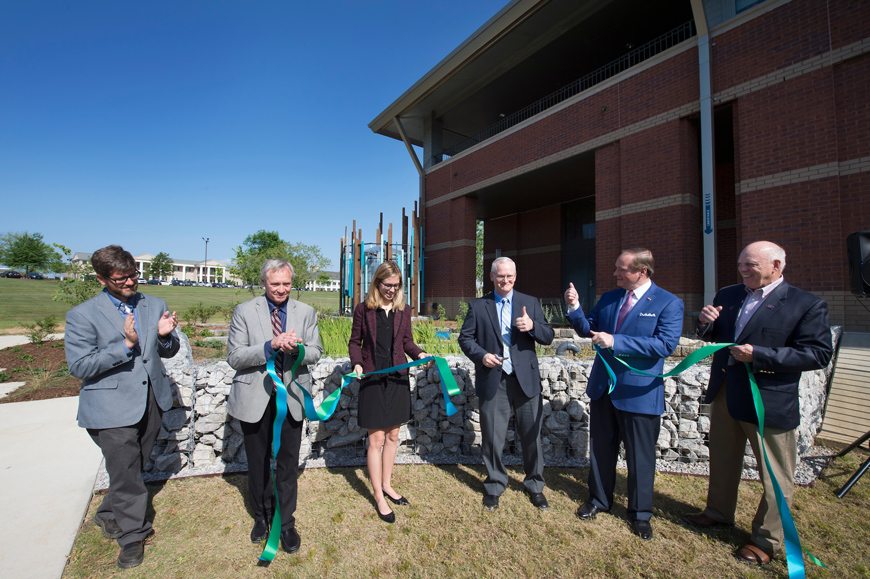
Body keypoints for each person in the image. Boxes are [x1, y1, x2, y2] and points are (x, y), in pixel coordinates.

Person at [683, 241, 832, 565]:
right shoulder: (728, 294)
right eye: (740, 264)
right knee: (722, 459)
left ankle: (766, 540)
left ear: (777, 266)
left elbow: (818, 354)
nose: (743, 270)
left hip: (768, 402)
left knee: (775, 475)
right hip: (725, 394)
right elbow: (714, 337)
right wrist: (705, 323)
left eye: (750, 264)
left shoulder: (806, 304)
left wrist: (760, 355)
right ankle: (718, 512)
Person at [65, 245, 180, 569]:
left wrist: (164, 338)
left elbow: (167, 351)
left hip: (150, 402)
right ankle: (132, 537)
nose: (130, 283)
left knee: (130, 469)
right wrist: (126, 345)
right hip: (110, 407)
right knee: (127, 471)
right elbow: (80, 366)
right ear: (101, 278)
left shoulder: (154, 303)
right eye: (121, 279)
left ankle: (107, 514)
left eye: (133, 276)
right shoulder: (82, 315)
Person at [564, 248, 683, 540]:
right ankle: (599, 500)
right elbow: (587, 329)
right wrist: (575, 307)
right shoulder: (610, 297)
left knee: (640, 457)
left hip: (639, 392)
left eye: (622, 269)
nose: (615, 273)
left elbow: (664, 345)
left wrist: (617, 340)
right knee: (602, 449)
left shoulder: (669, 303)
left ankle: (640, 514)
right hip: (604, 389)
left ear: (642, 272)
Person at [226, 258, 322, 555]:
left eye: (286, 283)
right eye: (275, 283)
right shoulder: (244, 311)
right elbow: (235, 357)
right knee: (257, 462)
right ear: (264, 283)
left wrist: (298, 350)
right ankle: (261, 516)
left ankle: (286, 522)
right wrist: (270, 346)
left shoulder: (305, 312)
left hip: (291, 399)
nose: (281, 289)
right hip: (255, 399)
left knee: (287, 464)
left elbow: (316, 352)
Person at [459, 257, 554, 511]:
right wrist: (482, 356)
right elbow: (466, 339)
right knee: (492, 436)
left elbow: (548, 336)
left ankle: (535, 485)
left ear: (515, 276)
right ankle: (494, 485)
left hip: (525, 380)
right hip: (494, 379)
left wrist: (533, 326)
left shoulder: (529, 303)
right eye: (501, 276)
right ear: (491, 276)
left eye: (510, 276)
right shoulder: (479, 306)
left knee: (531, 436)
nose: (506, 280)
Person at [348, 261, 429, 523]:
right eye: (387, 285)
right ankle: (378, 496)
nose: (391, 290)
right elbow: (354, 342)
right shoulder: (363, 309)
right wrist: (357, 362)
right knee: (376, 440)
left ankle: (387, 485)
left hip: (397, 378)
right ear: (377, 283)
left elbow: (407, 342)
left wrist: (420, 354)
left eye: (396, 286)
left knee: (393, 435)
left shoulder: (403, 311)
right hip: (372, 377)